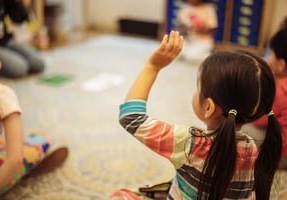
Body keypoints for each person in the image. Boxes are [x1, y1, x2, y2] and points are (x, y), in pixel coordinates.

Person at [112, 31, 282, 199]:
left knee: (121, 196)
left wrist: (152, 67)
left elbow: (131, 117)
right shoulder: (253, 150)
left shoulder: (190, 144)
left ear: (209, 107)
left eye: (198, 87)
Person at [0, 31, 68, 199]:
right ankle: (28, 168)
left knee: (0, 140)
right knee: (40, 138)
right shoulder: (1, 93)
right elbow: (14, 159)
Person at [250, 27, 287, 169]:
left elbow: (259, 121)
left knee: (244, 128)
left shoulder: (281, 91)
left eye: (270, 53)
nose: (267, 58)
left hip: (282, 156)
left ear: (282, 64)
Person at [0, 0, 46, 78]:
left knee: (38, 63)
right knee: (19, 68)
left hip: (4, 39)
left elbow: (18, 18)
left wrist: (19, 2)